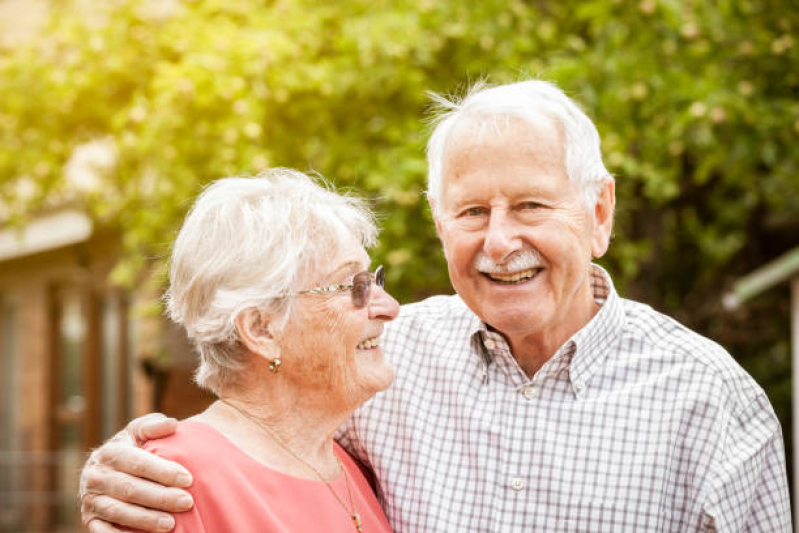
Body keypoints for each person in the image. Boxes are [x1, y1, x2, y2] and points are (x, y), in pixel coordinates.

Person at [80, 80, 792, 532]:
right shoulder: (383, 361)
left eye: (532, 204)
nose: (500, 240)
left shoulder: (710, 401)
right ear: (437, 220)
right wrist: (125, 468)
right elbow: (256, 428)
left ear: (598, 210)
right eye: (472, 210)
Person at [102, 168, 398, 532]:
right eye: (353, 286)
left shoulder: (346, 465)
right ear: (260, 329)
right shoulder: (170, 480)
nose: (390, 307)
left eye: (373, 279)